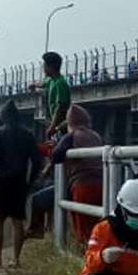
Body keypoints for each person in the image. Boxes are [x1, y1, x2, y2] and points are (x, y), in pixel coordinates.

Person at [0, 100, 43, 268]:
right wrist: (31, 181)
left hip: (2, 181)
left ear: (4, 117)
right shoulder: (28, 134)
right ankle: (16, 259)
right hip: (19, 182)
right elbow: (37, 161)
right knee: (18, 222)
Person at [50, 104, 103, 245]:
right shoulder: (96, 136)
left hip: (82, 186)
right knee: (99, 228)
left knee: (84, 232)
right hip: (102, 184)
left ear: (70, 123)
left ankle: (87, 260)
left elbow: (55, 156)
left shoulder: (72, 136)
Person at [29, 51, 70, 139]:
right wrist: (34, 85)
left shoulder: (60, 83)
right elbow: (43, 83)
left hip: (62, 126)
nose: (43, 68)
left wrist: (52, 127)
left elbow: (60, 108)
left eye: (45, 66)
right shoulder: (51, 80)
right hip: (56, 125)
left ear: (51, 67)